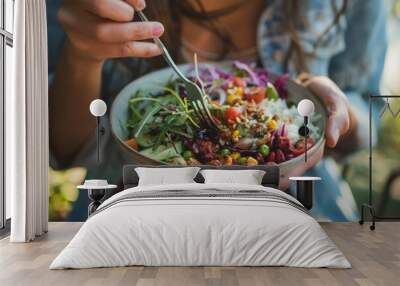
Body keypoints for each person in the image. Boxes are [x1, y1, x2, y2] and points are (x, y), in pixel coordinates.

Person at [47, 0, 387, 221]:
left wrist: (333, 112)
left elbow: (367, 120)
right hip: (133, 210)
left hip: (304, 204)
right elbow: (65, 152)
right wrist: (82, 58)